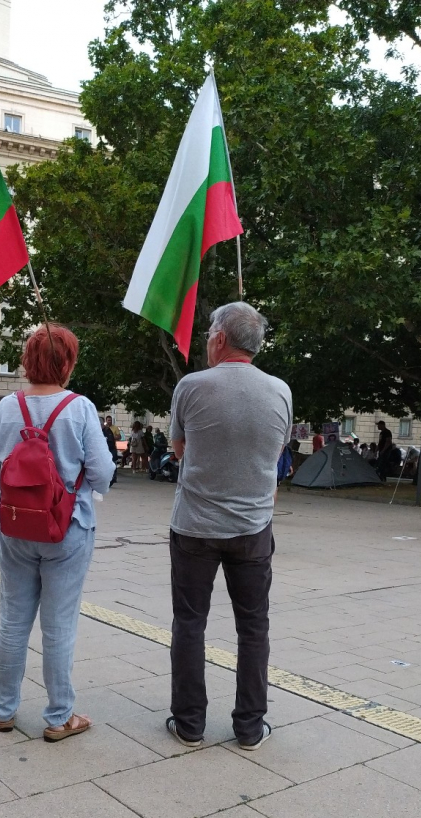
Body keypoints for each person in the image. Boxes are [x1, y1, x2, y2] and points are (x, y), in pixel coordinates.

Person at [166, 301, 292, 751]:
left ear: (220, 338)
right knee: (254, 626)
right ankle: (250, 726)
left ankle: (189, 723)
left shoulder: (192, 386)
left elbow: (179, 450)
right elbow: (275, 452)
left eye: (208, 334)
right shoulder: (280, 390)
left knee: (190, 623)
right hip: (253, 528)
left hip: (196, 526)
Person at [0, 324, 114, 741]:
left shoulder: (6, 407)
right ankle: (60, 716)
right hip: (68, 528)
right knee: (58, 625)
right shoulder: (79, 408)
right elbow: (104, 474)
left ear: (26, 361)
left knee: (12, 619)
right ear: (68, 363)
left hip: (17, 526)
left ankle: (4, 708)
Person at [100, 417, 118, 485]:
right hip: (103, 451)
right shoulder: (97, 430)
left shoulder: (107, 430)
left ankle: (113, 477)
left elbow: (110, 440)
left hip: (110, 449)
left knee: (113, 463)